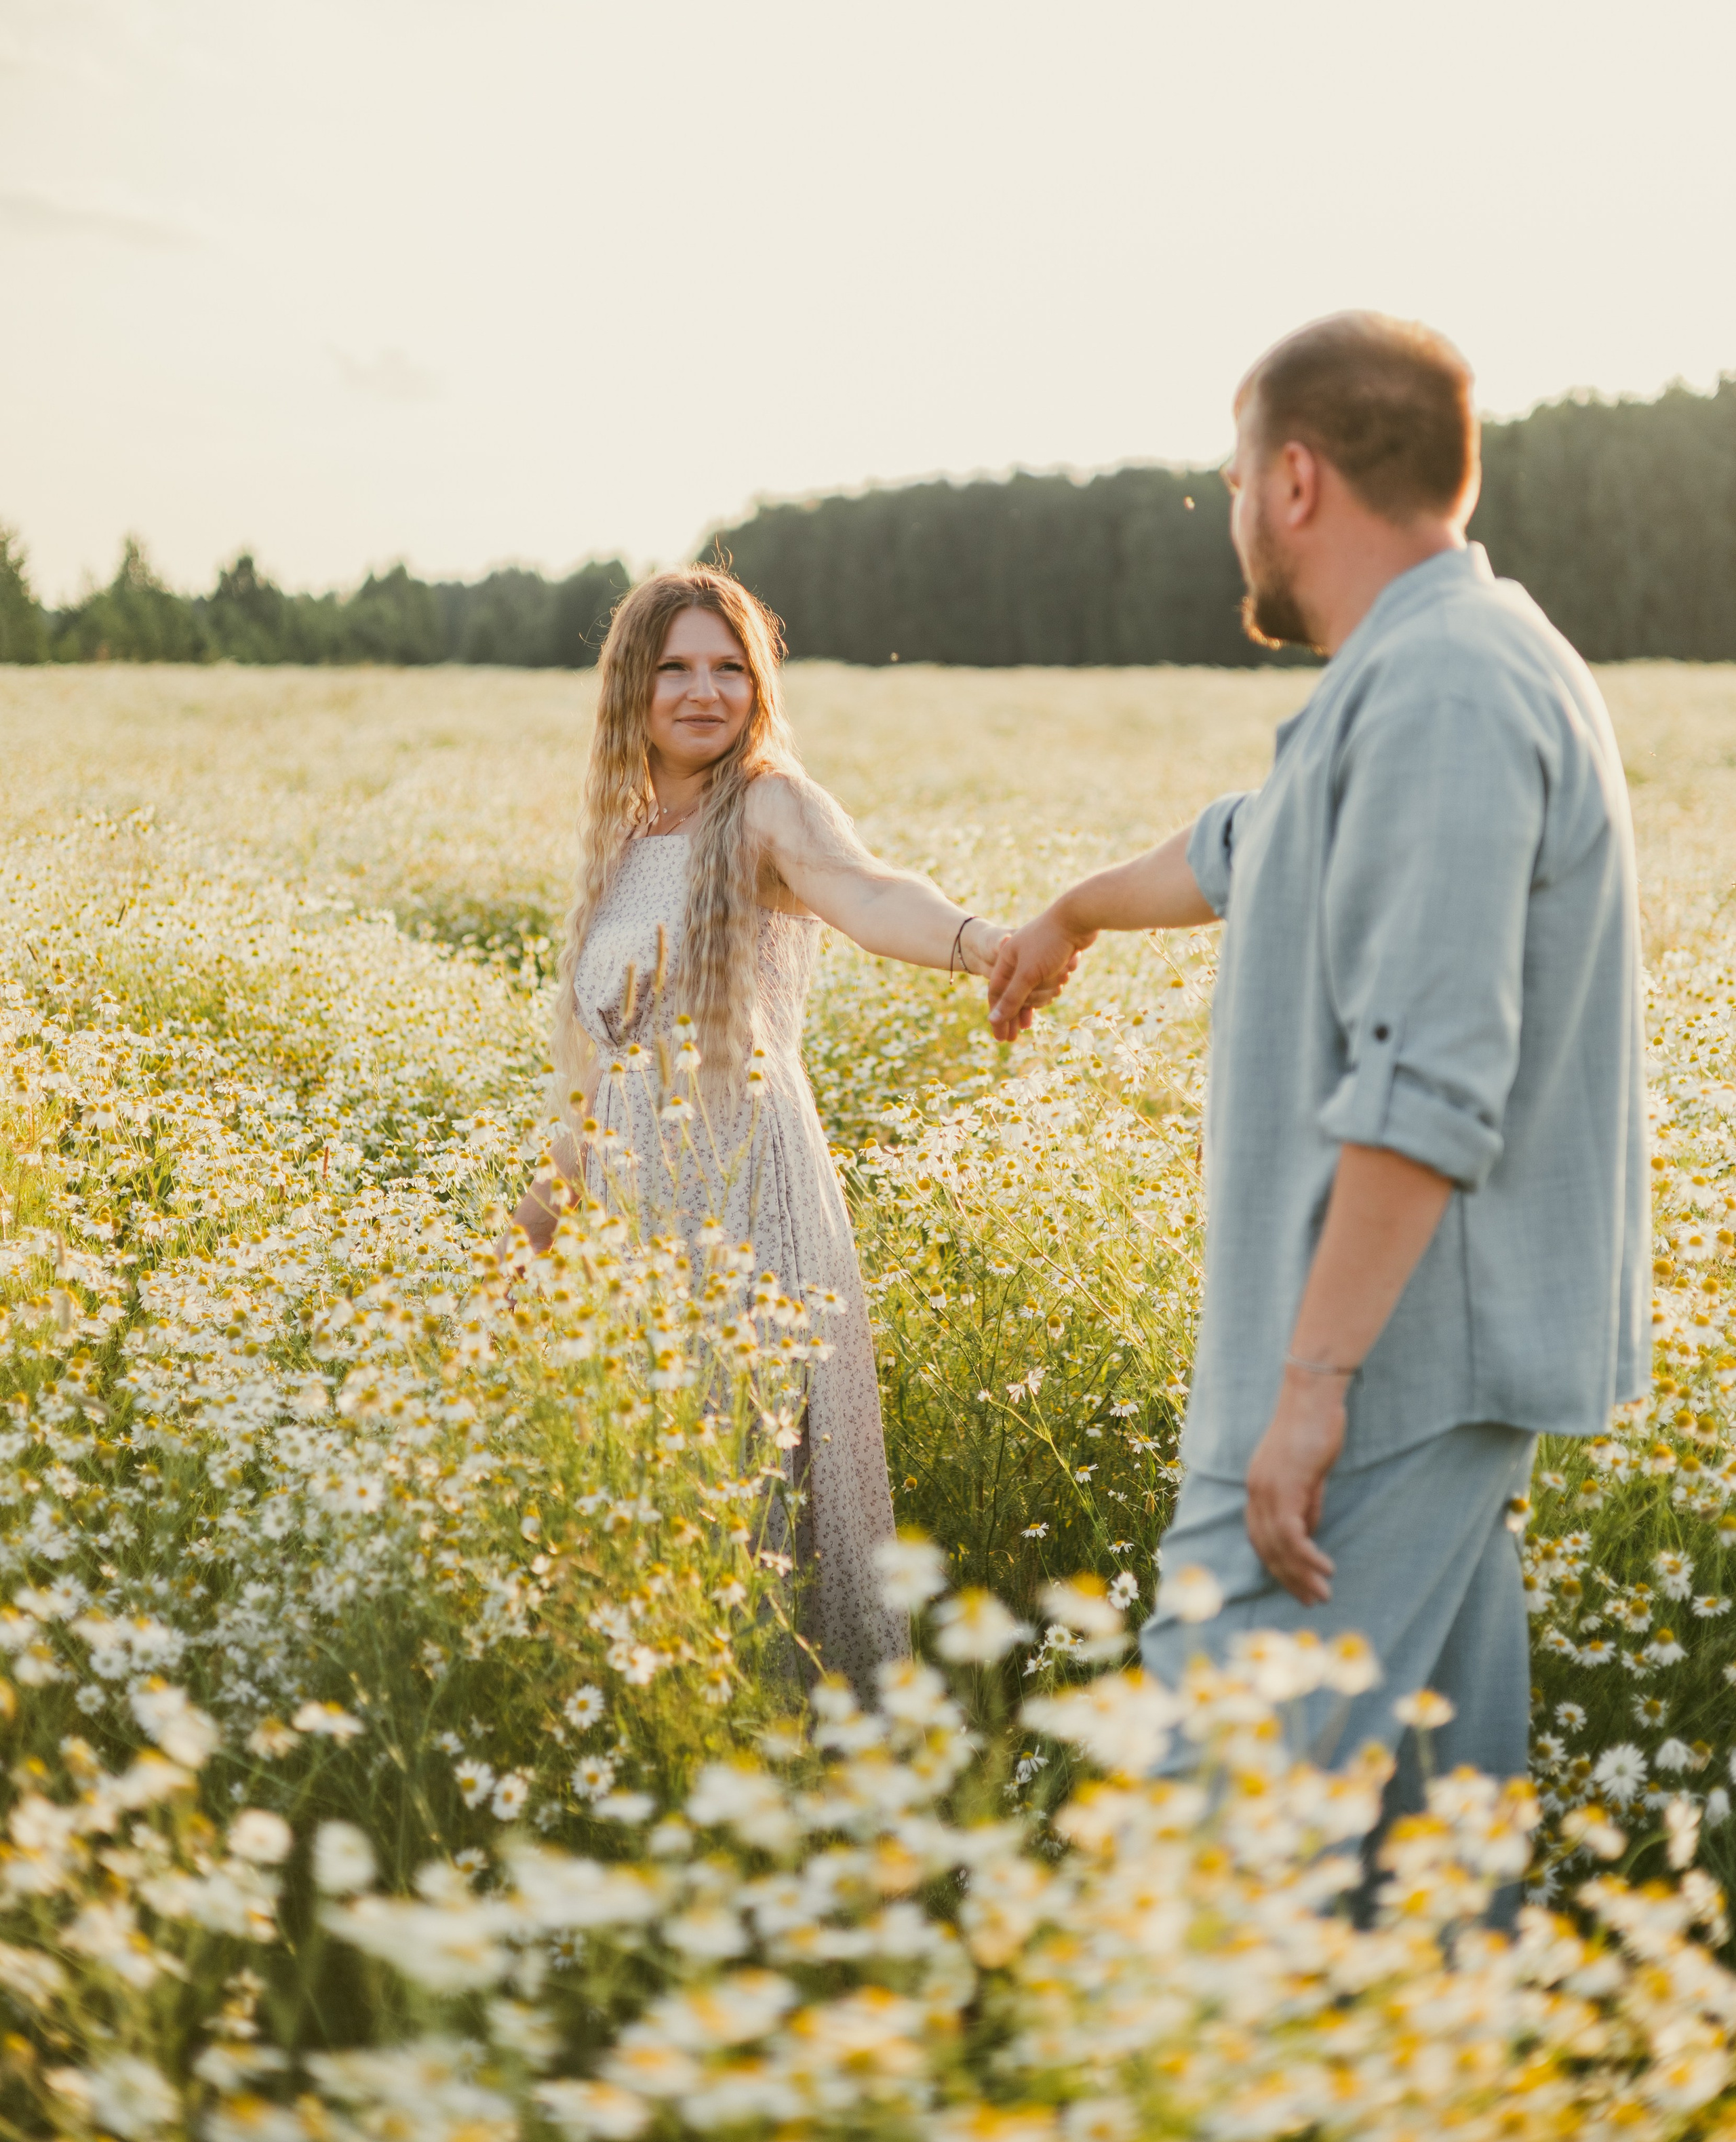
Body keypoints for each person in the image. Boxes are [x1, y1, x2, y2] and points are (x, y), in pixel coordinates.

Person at [987, 312, 1648, 1809]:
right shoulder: (1419, 668)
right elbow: (1247, 840)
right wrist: (1073, 909)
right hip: (1401, 1367)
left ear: (1294, 479)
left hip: (1378, 1375)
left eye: (1230, 479)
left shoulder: (1445, 691)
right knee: (1416, 1839)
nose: (1228, 515)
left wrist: (1308, 1391)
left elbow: (1429, 1081)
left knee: (1210, 1819)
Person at [502, 567, 1060, 1694]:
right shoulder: (621, 840)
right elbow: (594, 1072)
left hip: (746, 1205)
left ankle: (811, 1786)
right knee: (661, 1495)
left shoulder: (765, 803)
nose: (705, 692)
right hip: (640, 1228)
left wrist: (983, 942)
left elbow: (865, 894)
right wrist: (540, 1218)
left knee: (759, 1499)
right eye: (677, 668)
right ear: (632, 686)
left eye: (729, 668)